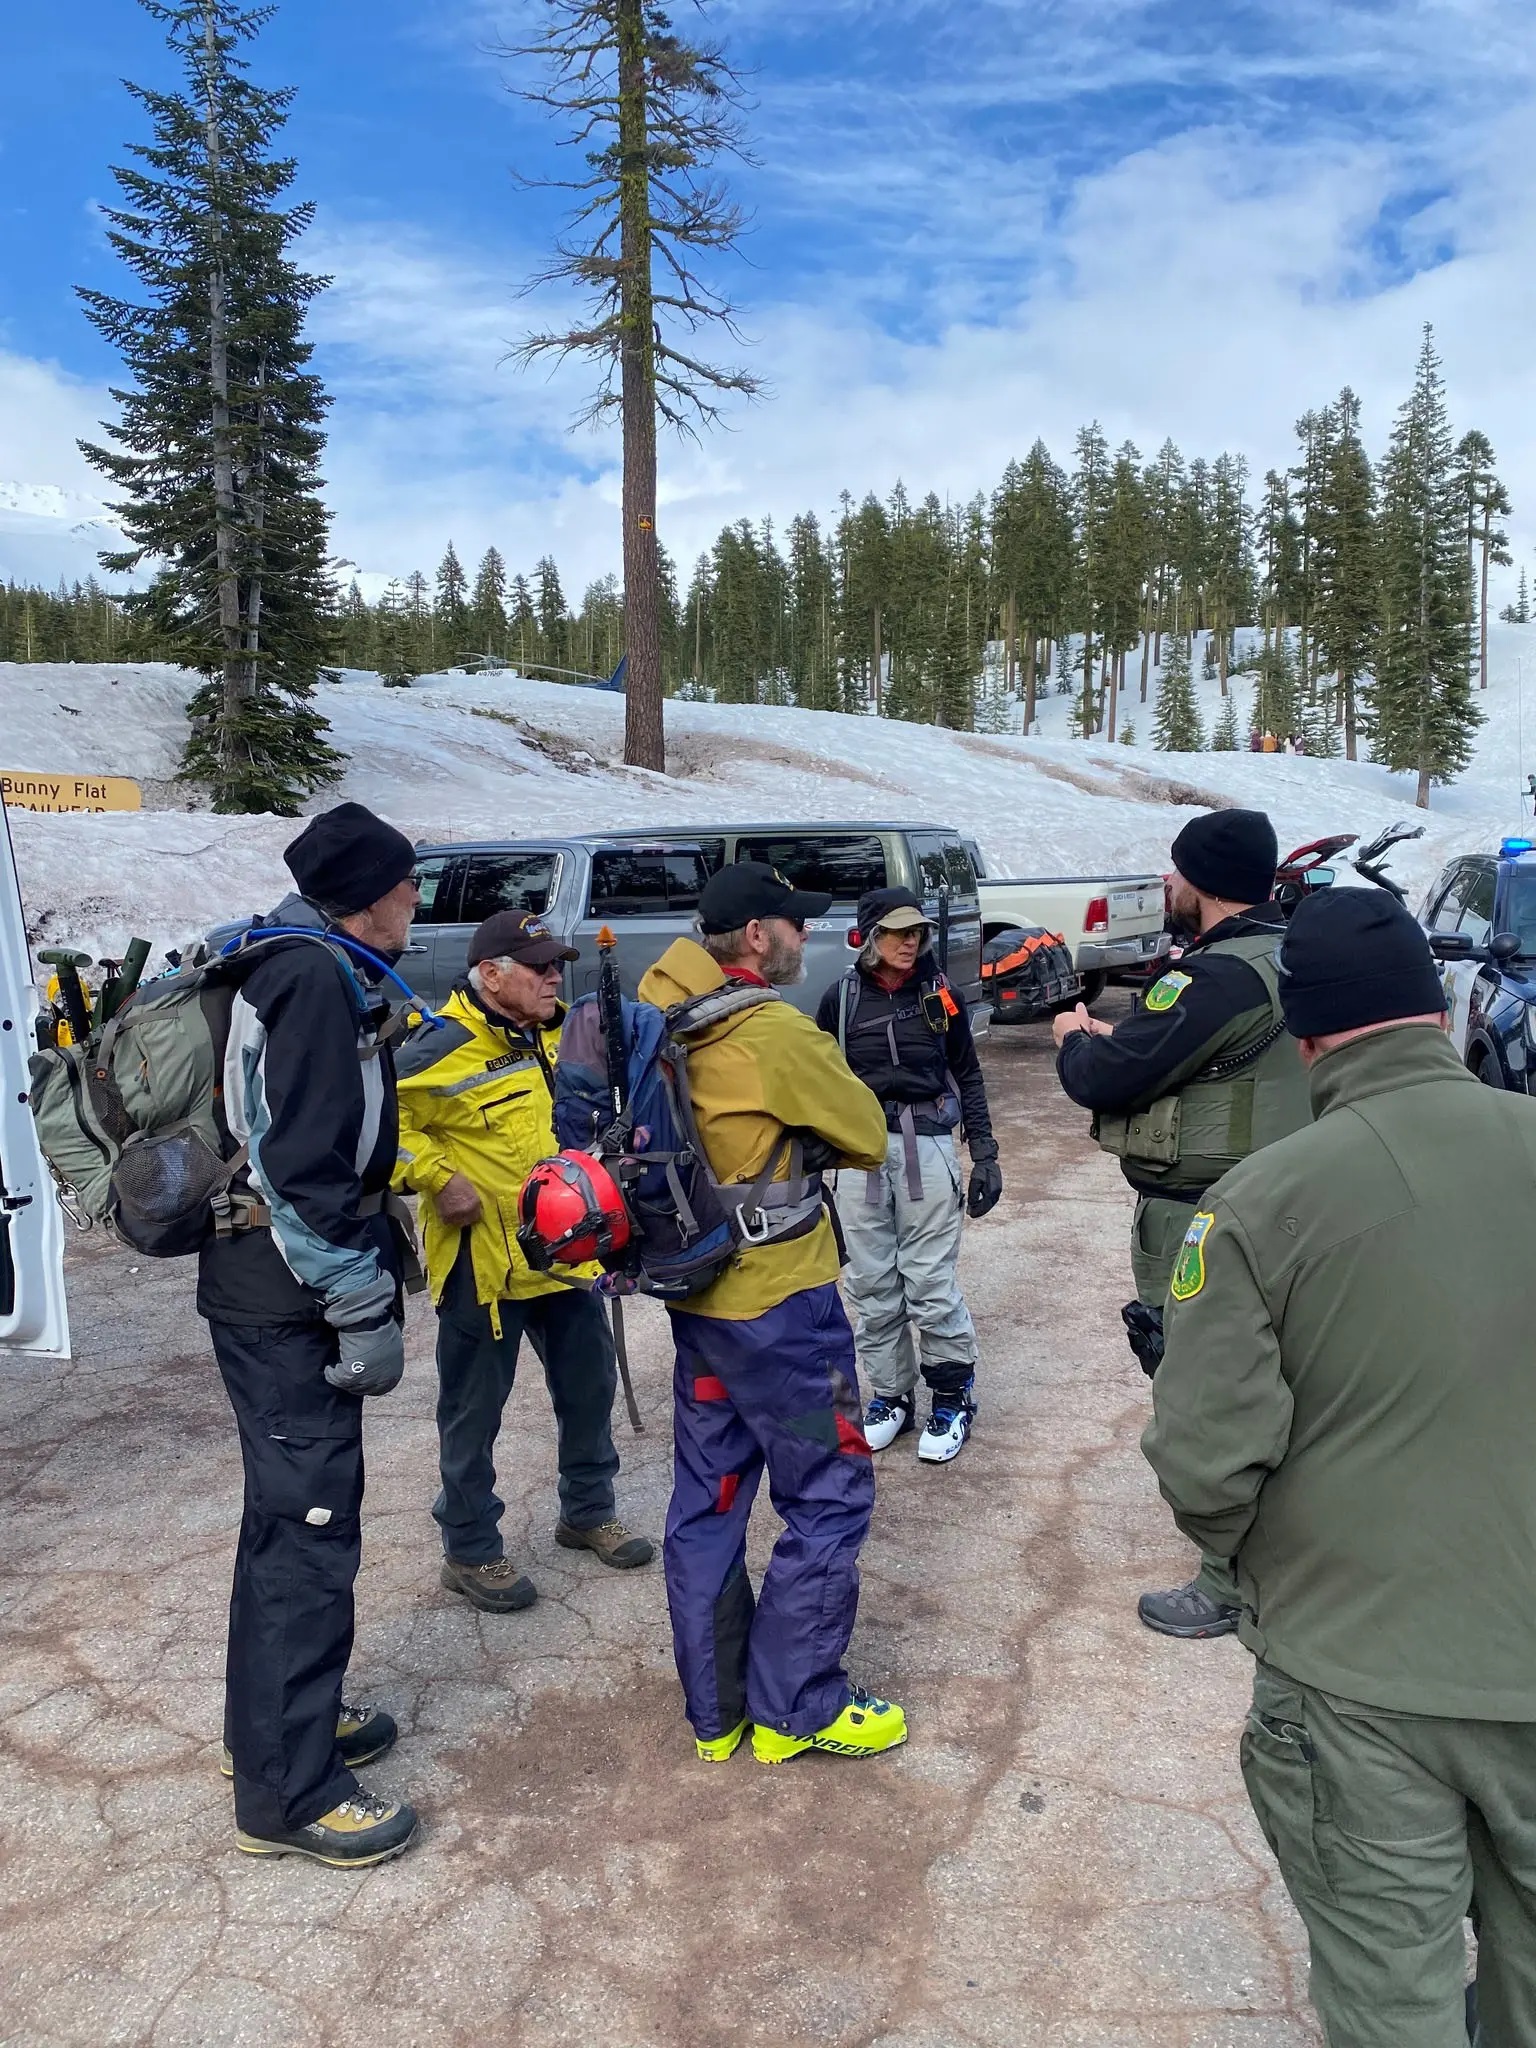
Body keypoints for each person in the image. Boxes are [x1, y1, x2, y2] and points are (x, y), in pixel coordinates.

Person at [1143, 889, 1536, 2045]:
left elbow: (1207, 1465)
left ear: (1307, 1036)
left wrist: (1259, 1565)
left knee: (1392, 1990)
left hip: (1360, 1679)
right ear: (1442, 1005)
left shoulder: (1263, 1200)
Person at [637, 862, 904, 1767]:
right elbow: (866, 1132)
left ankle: (717, 1715)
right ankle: (800, 1705)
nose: (806, 939)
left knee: (709, 1497)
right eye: (795, 925)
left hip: (702, 1297)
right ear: (758, 935)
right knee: (829, 1489)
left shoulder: (655, 1012)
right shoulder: (771, 1031)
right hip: (783, 1308)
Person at [199, 801, 421, 1867]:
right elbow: (298, 1171)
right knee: (308, 1529)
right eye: (408, 884)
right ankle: (288, 1792)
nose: (416, 902)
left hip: (264, 1288)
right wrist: (360, 1301)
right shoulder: (313, 979)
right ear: (370, 893)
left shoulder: (291, 960)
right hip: (286, 1297)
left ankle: (281, 1725)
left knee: (284, 1521)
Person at [1052, 808, 1311, 1640]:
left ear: (1201, 882)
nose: (1166, 885)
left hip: (1204, 1219)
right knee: (1285, 1385)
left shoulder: (1214, 978)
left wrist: (1072, 1040)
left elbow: (1112, 1077)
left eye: (1173, 872)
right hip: (1288, 1206)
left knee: (1204, 1398)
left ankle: (1227, 1581)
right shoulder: (1290, 954)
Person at [394, 908, 654, 1612]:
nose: (551, 976)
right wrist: (435, 1176)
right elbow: (374, 1125)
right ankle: (471, 1549)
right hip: (484, 1262)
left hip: (564, 1253)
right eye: (537, 967)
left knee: (589, 1386)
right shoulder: (437, 1045)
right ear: (490, 974)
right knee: (474, 1412)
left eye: (555, 965)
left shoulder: (566, 1031)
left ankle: (587, 1511)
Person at [813, 885, 1001, 1462]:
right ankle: (891, 1396)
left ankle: (952, 1396)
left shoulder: (939, 995)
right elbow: (821, 1083)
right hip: (857, 1156)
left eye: (916, 931)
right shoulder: (839, 1000)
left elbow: (966, 1072)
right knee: (871, 1282)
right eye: (896, 932)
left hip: (929, 1146)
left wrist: (986, 1151)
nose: (909, 942)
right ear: (870, 937)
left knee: (928, 1280)